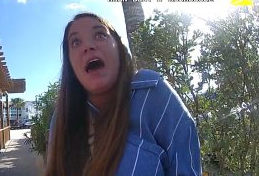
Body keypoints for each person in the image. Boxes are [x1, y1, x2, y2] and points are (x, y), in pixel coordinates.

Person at [45, 12, 202, 176]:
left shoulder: (152, 94)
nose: (88, 46)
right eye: (76, 42)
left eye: (99, 35)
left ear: (119, 48)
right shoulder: (62, 116)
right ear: (70, 63)